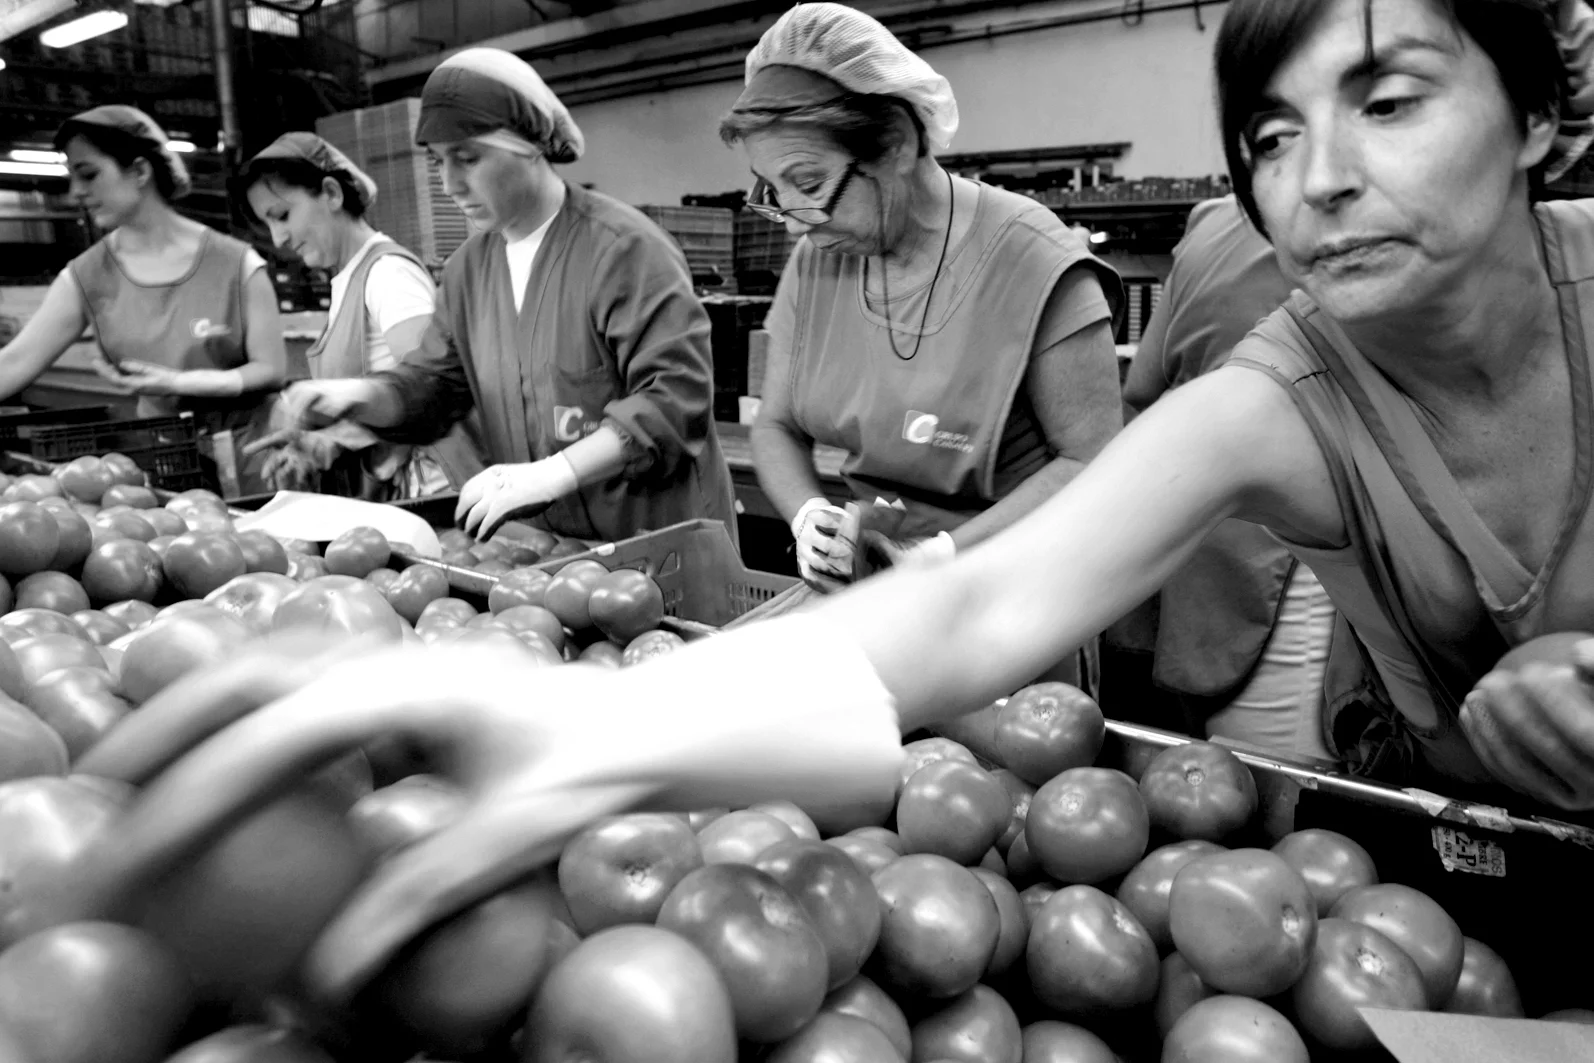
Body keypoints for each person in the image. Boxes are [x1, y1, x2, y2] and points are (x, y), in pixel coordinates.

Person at [62, 0, 1594, 1017]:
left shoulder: (1029, 261)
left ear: (1537, 117)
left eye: (1385, 99)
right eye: (1267, 135)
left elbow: (1031, 490)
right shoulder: (1287, 384)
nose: (1313, 180)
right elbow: (980, 606)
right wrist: (575, 724)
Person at [734, 4, 1123, 599]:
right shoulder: (819, 255)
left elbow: (1092, 464)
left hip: (1014, 593)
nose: (791, 223)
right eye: (773, 191)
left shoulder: (1035, 263)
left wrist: (944, 556)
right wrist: (809, 514)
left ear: (895, 142)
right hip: (874, 591)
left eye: (808, 185)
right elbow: (777, 425)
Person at [277, 49, 736, 544]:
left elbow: (673, 399)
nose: (450, 184)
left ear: (528, 146)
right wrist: (358, 396)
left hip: (662, 544)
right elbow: (433, 387)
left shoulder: (624, 250)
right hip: (552, 556)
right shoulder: (469, 271)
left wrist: (557, 472)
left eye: (468, 158)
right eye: (438, 163)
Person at [1120, 195, 1334, 760]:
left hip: (1195, 563)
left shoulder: (1213, 221)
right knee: (1276, 796)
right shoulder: (1352, 229)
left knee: (1199, 781)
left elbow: (1141, 390)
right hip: (1289, 572)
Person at [0, 106, 287, 495]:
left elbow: (270, 369)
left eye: (89, 174)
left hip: (258, 461)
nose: (76, 192)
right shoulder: (86, 277)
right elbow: (15, 361)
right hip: (167, 465)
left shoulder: (236, 264)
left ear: (139, 171)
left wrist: (183, 381)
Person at [236, 132, 484, 499]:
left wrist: (335, 438)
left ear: (332, 194)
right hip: (396, 490)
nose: (278, 238)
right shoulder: (348, 280)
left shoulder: (388, 275)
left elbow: (431, 393)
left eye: (283, 216)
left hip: (433, 491)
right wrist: (322, 440)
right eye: (269, 224)